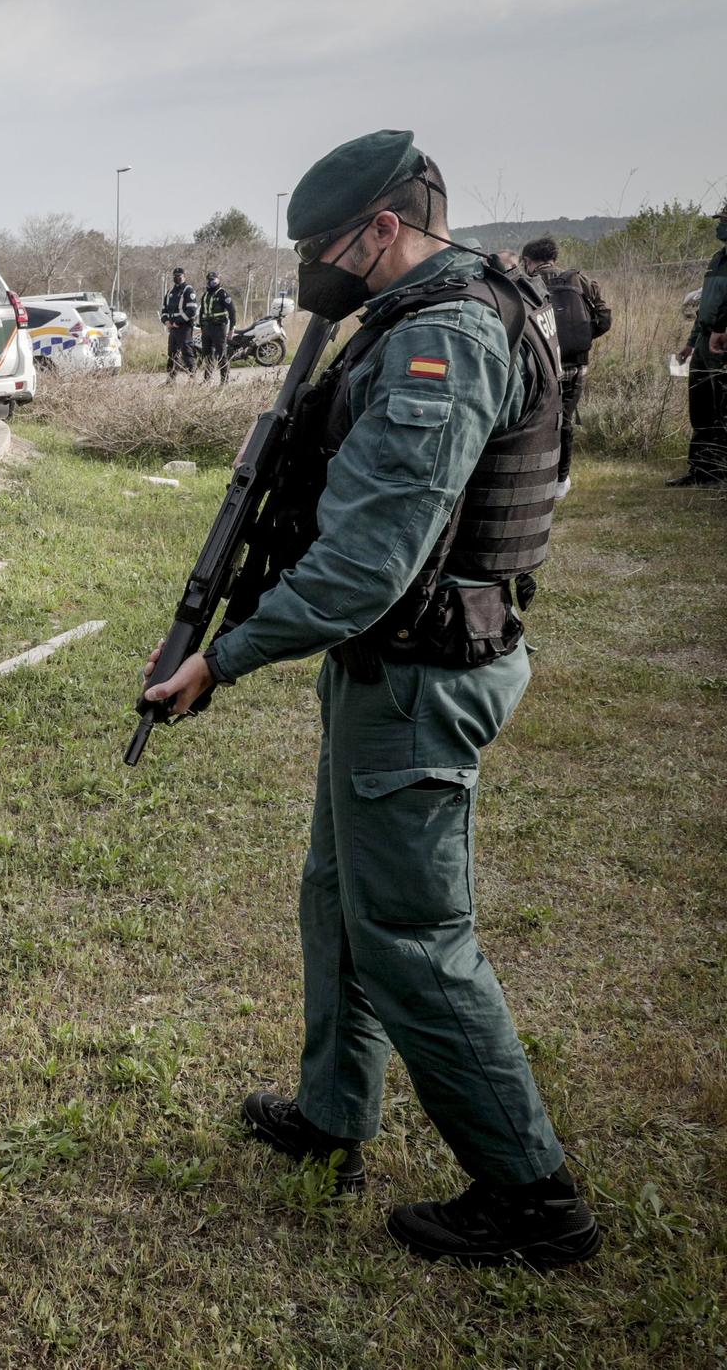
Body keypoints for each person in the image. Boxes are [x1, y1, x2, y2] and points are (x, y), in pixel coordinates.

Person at [144, 129, 599, 1269]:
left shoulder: (440, 335)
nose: (314, 275)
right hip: (389, 666)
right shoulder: (455, 303)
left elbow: (368, 562)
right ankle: (332, 1112)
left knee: (411, 937)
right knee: (336, 898)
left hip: (419, 674)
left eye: (325, 249)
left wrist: (224, 655)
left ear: (383, 229)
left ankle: (531, 1198)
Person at [519, 237, 610, 498]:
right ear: (554, 258)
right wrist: (580, 339)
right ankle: (561, 480)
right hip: (576, 364)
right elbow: (604, 319)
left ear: (528, 261)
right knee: (565, 421)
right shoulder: (579, 280)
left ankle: (535, 475)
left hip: (540, 365)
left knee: (534, 420)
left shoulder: (525, 284)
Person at [670, 201, 727, 487]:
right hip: (705, 341)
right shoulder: (717, 258)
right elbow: (706, 304)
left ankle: (719, 470)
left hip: (724, 343)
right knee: (701, 407)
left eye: (725, 219)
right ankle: (701, 470)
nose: (721, 225)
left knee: (722, 407)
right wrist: (691, 343)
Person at [197, 269, 238, 385]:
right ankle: (207, 380)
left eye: (213, 280)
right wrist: (201, 327)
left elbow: (232, 311)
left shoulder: (222, 293)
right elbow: (201, 312)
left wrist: (232, 328)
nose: (211, 282)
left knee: (221, 354)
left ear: (218, 280)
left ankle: (224, 381)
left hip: (219, 328)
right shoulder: (205, 295)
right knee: (207, 355)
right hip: (207, 329)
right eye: (209, 280)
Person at [160, 266, 198, 380]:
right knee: (172, 353)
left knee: (187, 352)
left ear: (184, 276)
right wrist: (166, 321)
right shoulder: (170, 292)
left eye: (179, 276)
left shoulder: (188, 290)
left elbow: (191, 311)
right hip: (172, 328)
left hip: (184, 327)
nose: (177, 278)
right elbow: (164, 310)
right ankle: (171, 379)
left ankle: (192, 378)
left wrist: (178, 322)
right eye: (175, 276)